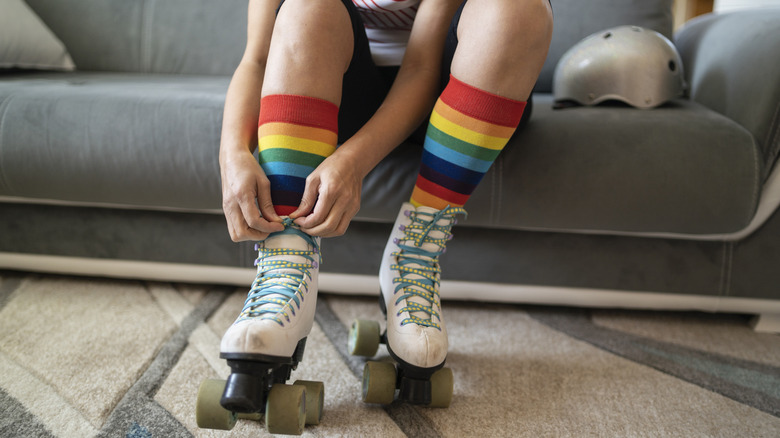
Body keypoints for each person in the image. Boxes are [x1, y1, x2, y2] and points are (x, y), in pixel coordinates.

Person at [218, 0, 553, 410]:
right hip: (338, 93)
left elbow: (420, 69)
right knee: (307, 7)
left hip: (463, 95)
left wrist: (355, 162)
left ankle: (414, 254)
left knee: (519, 8)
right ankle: (287, 261)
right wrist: (233, 153)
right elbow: (257, 57)